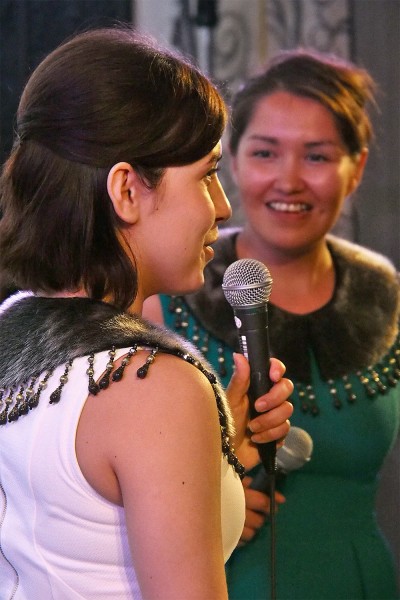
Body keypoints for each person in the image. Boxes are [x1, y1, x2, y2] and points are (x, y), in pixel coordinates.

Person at [0, 27, 295, 600]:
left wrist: (219, 452)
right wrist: (182, 416)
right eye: (207, 175)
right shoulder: (153, 384)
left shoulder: (10, 322)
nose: (223, 206)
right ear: (127, 190)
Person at [144, 49, 400, 599]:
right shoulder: (162, 294)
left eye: (316, 156)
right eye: (265, 152)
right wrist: (211, 503)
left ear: (356, 166)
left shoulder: (386, 291)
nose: (288, 181)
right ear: (230, 162)